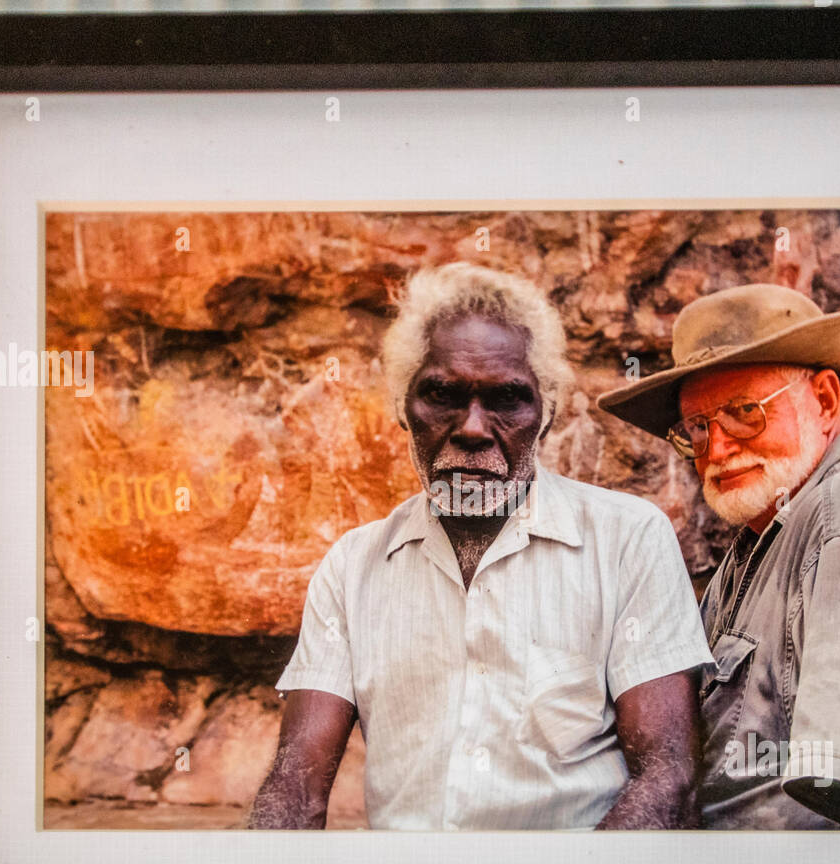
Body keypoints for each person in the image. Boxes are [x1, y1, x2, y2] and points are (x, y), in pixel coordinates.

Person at [249, 263, 712, 831]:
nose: (472, 428)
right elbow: (296, 785)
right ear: (403, 408)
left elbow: (668, 776)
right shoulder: (352, 567)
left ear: (546, 416)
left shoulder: (627, 540)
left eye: (506, 400)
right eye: (442, 394)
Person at [597, 282, 840, 830]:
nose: (716, 449)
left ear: (826, 401)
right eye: (697, 427)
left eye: (744, 412)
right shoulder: (756, 547)